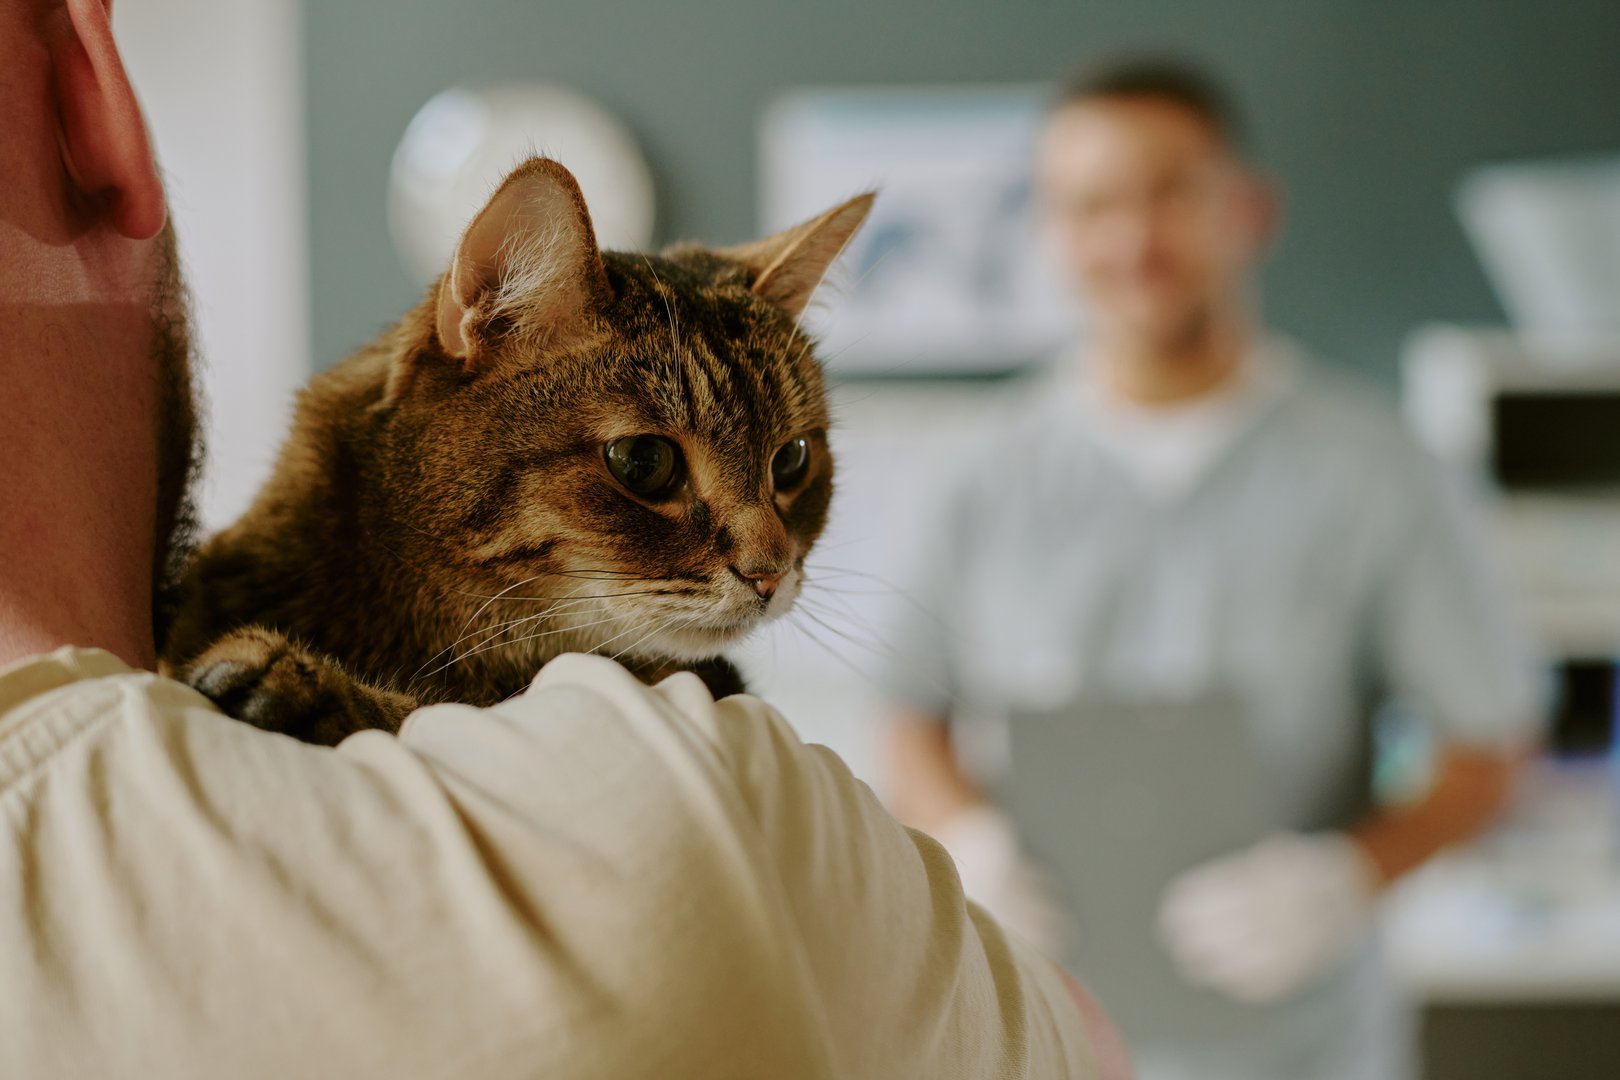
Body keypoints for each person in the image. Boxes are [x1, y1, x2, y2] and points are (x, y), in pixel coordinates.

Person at [0, 3, 1132, 1077]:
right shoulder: (683, 803)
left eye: (789, 470)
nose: (764, 554)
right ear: (480, 332)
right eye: (647, 466)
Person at [881, 57, 1544, 1080]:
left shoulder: (1380, 469)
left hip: (1307, 1046)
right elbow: (906, 708)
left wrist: (1347, 877)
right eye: (1092, 205)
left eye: (1170, 193)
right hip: (1040, 1030)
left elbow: (1490, 739)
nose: (1133, 239)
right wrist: (967, 837)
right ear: (1049, 235)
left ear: (1250, 210)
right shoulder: (976, 472)